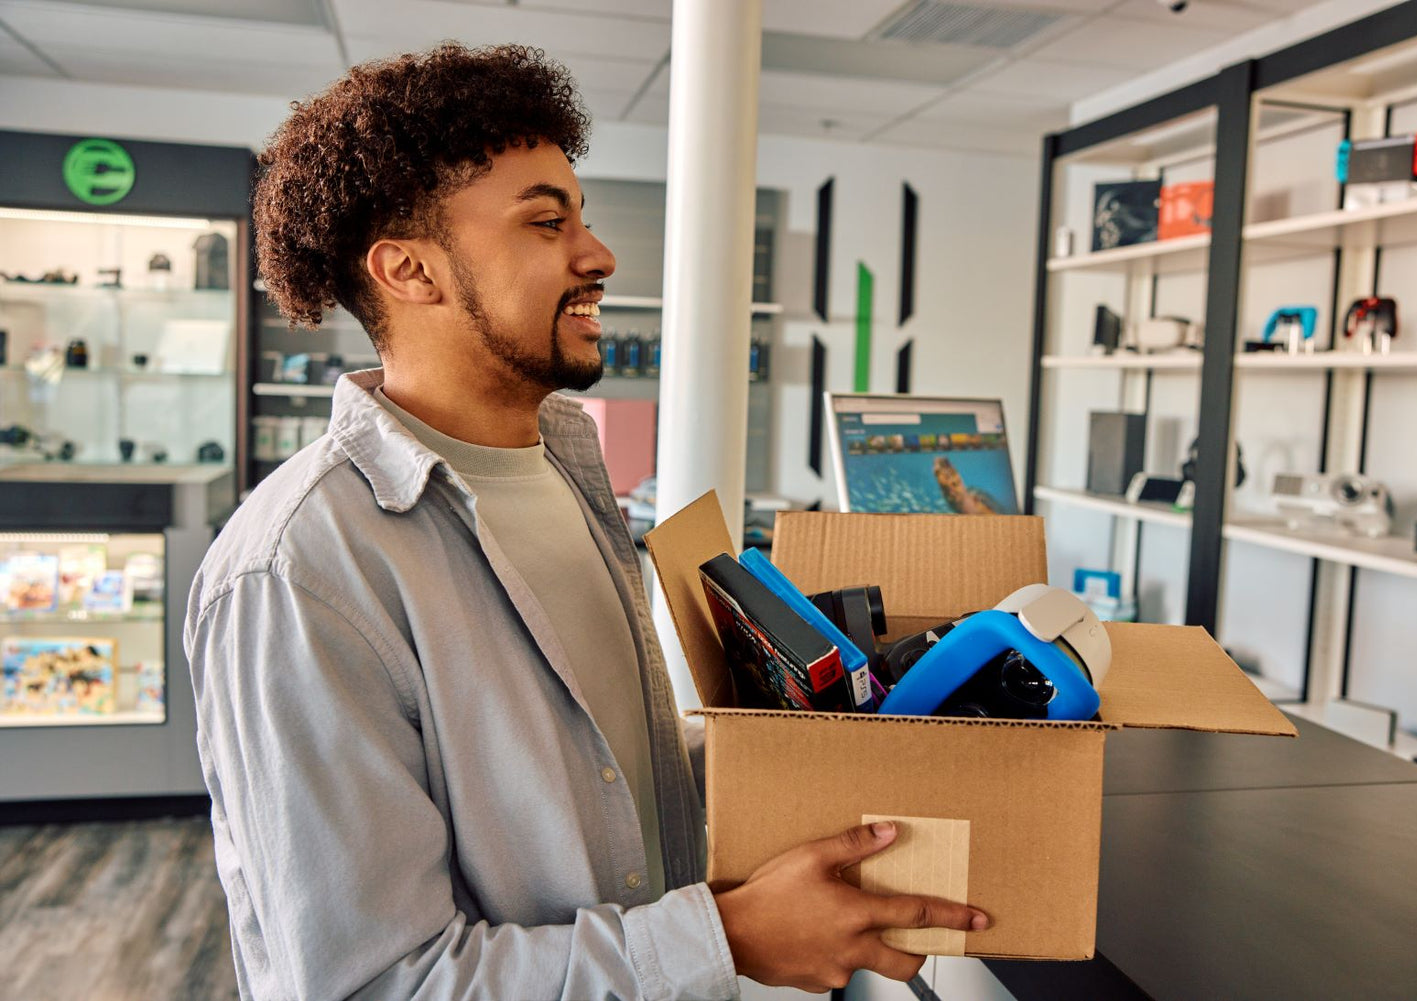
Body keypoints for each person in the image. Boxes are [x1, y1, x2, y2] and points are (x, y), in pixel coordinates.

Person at [185, 42, 987, 1000]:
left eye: (583, 217)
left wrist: (793, 756)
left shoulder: (566, 472)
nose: (597, 255)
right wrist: (721, 939)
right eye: (544, 222)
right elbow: (372, 984)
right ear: (409, 270)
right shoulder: (301, 571)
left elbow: (606, 785)